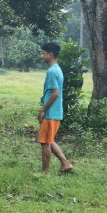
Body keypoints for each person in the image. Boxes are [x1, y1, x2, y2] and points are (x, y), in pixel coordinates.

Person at [38, 42, 73, 173]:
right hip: (56, 112)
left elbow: (55, 94)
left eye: (43, 53)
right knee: (49, 139)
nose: (42, 56)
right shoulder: (57, 69)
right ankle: (65, 164)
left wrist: (43, 109)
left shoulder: (52, 72)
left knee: (45, 142)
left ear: (50, 54)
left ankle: (45, 171)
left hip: (50, 113)